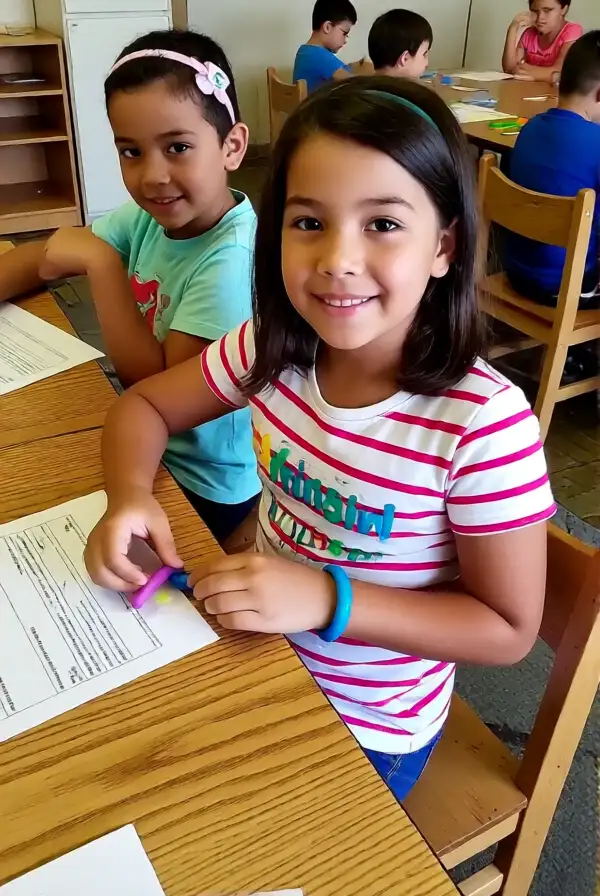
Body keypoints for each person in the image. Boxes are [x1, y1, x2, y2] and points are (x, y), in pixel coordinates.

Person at [84, 77, 555, 802]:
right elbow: (143, 407)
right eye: (308, 223)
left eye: (383, 224)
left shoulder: (482, 424)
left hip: (368, 721)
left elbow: (506, 630)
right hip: (253, 642)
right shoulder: (274, 347)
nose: (337, 258)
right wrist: (127, 499)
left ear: (444, 245)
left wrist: (326, 599)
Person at [0, 30, 261, 545]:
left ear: (232, 146)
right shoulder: (150, 217)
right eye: (131, 151)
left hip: (205, 482)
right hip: (142, 441)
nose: (153, 176)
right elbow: (45, 257)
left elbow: (152, 380)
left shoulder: (231, 259)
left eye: (178, 147)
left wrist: (102, 265)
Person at [504, 31, 600, 307]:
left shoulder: (529, 128)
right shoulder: (595, 143)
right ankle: (576, 348)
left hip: (515, 273)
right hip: (567, 288)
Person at [503, 0, 583, 83]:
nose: (540, 17)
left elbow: (560, 72)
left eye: (547, 10)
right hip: (531, 92)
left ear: (564, 9)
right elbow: (509, 69)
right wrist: (512, 29)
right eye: (534, 11)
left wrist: (529, 70)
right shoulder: (529, 33)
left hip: (555, 93)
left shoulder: (572, 30)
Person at [293, 0, 357, 92]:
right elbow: (351, 81)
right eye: (345, 33)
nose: (345, 40)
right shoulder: (317, 55)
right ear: (327, 27)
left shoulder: (305, 51)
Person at [368, 9, 433, 80]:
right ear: (405, 58)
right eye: (424, 54)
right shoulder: (409, 90)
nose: (427, 64)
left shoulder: (359, 87)